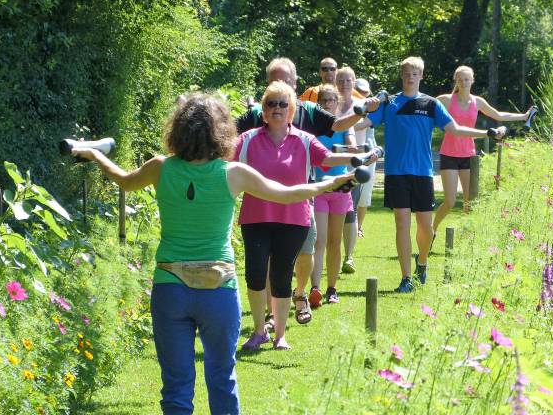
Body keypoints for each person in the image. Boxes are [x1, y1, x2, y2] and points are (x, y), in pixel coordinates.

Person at [72, 95, 353, 414]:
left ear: (177, 130)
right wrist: (328, 184)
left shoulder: (161, 168)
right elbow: (288, 195)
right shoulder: (233, 173)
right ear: (222, 132)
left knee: (176, 389)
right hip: (218, 291)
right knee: (222, 380)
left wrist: (94, 153)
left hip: (170, 288)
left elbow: (122, 179)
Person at [236, 58, 381, 327]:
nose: (278, 100)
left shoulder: (309, 111)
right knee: (267, 260)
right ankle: (270, 315)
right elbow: (227, 138)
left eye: (286, 82)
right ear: (267, 86)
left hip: (302, 196)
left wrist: (361, 118)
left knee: (306, 251)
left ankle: (300, 294)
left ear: (295, 82)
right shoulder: (258, 114)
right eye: (274, 83)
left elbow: (337, 127)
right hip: (262, 204)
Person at [357, 57, 506, 293]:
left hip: (423, 173)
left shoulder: (431, 104)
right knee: (401, 223)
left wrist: (486, 132)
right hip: (396, 173)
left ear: (421, 76)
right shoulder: (390, 103)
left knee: (425, 228)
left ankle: (422, 262)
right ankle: (406, 278)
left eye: (415, 73)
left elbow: (455, 129)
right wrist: (362, 108)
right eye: (406, 73)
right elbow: (359, 124)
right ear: (401, 75)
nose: (410, 77)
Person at [432, 65, 531, 234]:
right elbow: (423, 104)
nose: (463, 82)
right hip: (449, 154)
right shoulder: (446, 100)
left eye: (466, 79)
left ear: (472, 80)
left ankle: (466, 238)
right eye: (460, 79)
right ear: (456, 81)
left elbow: (499, 115)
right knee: (449, 201)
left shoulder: (477, 102)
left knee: (469, 201)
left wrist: (523, 116)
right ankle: (431, 231)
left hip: (469, 155)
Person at [310, 84, 356, 306]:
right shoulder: (313, 127)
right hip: (319, 189)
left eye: (331, 100)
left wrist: (350, 150)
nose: (327, 104)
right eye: (324, 100)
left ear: (337, 103)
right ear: (318, 103)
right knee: (319, 240)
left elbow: (352, 146)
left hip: (341, 189)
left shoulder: (345, 125)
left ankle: (332, 288)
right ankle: (315, 288)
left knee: (335, 242)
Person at [335, 67, 364, 274]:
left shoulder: (361, 104)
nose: (345, 83)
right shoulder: (329, 104)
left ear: (354, 82)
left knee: (350, 211)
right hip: (332, 166)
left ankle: (349, 257)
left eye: (348, 80)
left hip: (356, 165)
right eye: (341, 80)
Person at [353, 78, 378, 238]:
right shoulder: (347, 106)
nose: (361, 95)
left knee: (365, 193)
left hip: (368, 152)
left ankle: (359, 227)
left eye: (364, 92)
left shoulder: (373, 108)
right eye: (358, 91)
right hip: (349, 152)